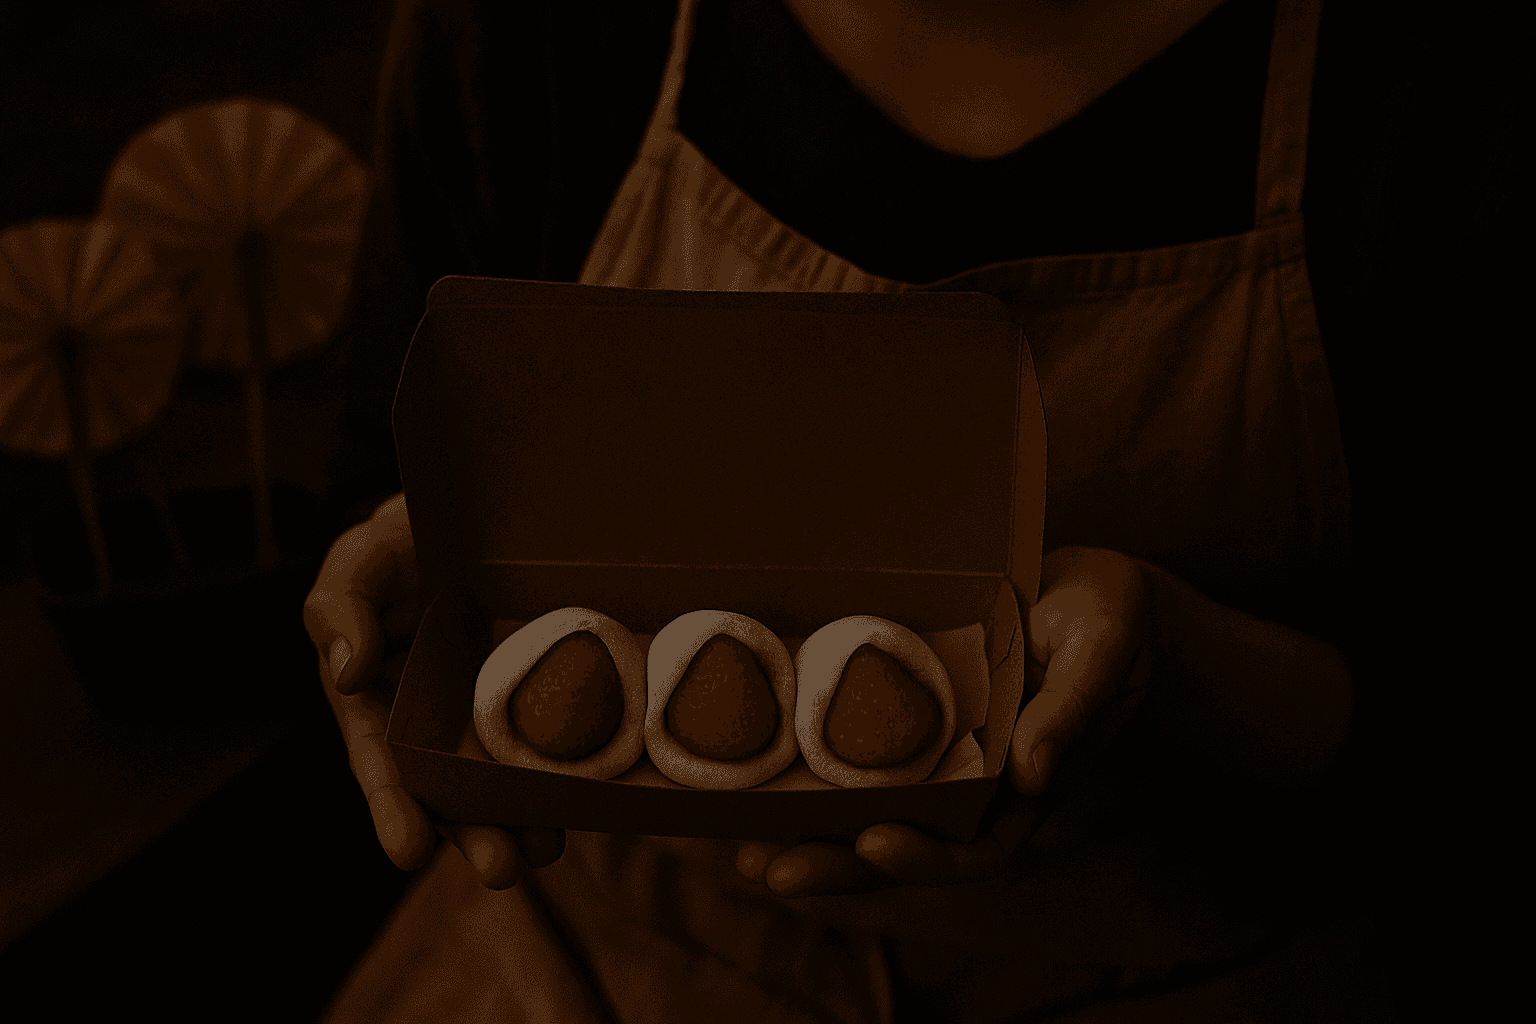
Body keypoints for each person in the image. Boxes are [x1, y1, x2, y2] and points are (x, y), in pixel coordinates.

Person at [305, 0, 1396, 1020]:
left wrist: (1185, 665)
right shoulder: (525, 32)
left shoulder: (1425, 69)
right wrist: (413, 570)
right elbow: (383, 455)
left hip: (1205, 967)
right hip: (574, 952)